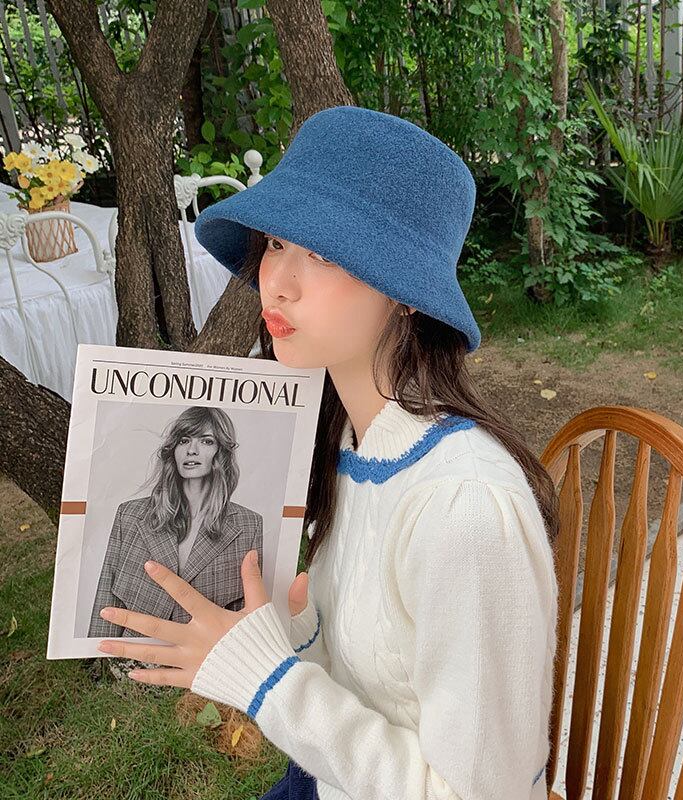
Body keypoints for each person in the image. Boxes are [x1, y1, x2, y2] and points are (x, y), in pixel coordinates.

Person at [97, 105, 560, 800]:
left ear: (406, 295)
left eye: (324, 253)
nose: (277, 282)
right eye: (277, 242)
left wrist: (266, 678)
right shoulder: (348, 444)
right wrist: (281, 631)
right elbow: (370, 674)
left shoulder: (465, 510)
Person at [88, 405, 263, 638]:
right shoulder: (129, 515)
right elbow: (107, 600)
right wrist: (98, 656)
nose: (192, 450)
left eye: (206, 441)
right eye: (184, 440)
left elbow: (246, 616)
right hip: (130, 655)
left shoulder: (249, 524)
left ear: (221, 452)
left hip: (206, 656)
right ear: (173, 450)